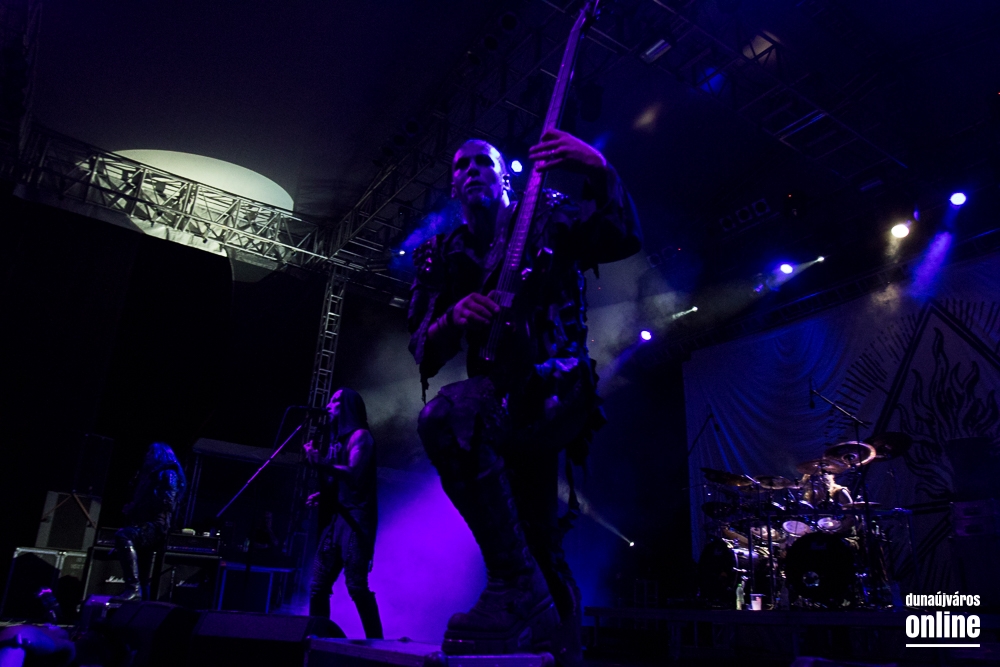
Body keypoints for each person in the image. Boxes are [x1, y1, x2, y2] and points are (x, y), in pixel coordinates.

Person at [408, 129, 641, 662]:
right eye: (462, 166)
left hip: (554, 387)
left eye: (484, 163)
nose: (473, 171)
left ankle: (513, 583)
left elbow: (621, 236)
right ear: (453, 185)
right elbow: (421, 344)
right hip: (497, 401)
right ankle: (558, 646)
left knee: (445, 417)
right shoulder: (440, 254)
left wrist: (597, 167)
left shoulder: (546, 215)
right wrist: (452, 318)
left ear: (505, 176)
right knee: (537, 537)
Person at [303, 388, 383, 639]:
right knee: (318, 586)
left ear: (348, 406)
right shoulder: (336, 441)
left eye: (335, 400)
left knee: (356, 586)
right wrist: (324, 494)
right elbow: (340, 482)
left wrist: (321, 462)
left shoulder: (361, 437)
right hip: (337, 518)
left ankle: (376, 642)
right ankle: (320, 639)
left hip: (356, 521)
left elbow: (353, 474)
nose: (329, 405)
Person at [114, 442, 186, 601]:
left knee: (123, 536)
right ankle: (141, 600)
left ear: (158, 455)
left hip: (156, 525)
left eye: (150, 452)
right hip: (145, 523)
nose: (146, 455)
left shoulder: (168, 474)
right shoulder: (149, 475)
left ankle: (133, 588)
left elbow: (168, 503)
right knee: (143, 571)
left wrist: (138, 505)